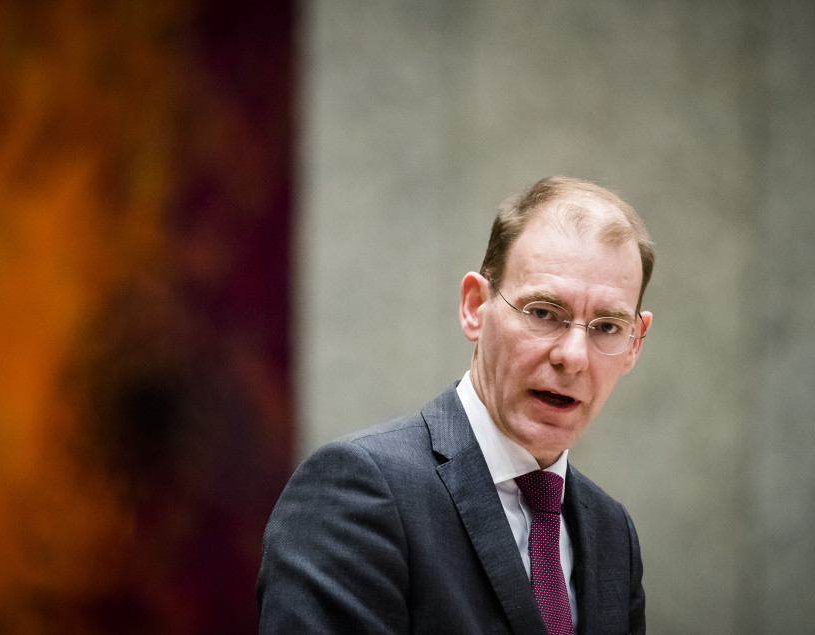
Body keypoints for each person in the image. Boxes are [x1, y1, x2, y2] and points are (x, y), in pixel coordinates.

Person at [257, 176, 653, 634]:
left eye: (607, 326)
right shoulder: (358, 491)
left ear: (634, 344)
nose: (573, 357)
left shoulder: (612, 532)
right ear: (474, 306)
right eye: (543, 313)